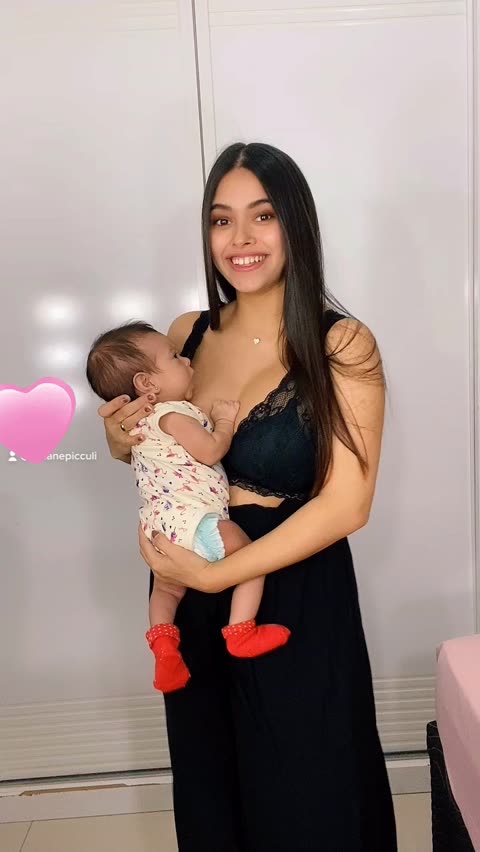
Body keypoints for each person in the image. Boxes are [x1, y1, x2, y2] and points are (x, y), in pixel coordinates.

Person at [99, 141, 397, 851]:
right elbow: (161, 448)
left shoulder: (342, 344)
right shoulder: (184, 335)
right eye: (221, 219)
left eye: (263, 216)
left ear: (295, 224)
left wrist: (218, 575)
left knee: (308, 798)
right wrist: (118, 440)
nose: (240, 239)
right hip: (192, 584)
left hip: (292, 592)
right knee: (214, 790)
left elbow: (349, 504)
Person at [86, 324, 290, 693]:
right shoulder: (172, 415)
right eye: (175, 357)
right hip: (199, 522)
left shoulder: (137, 426)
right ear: (147, 383)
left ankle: (164, 646)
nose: (186, 361)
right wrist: (224, 422)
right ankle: (241, 630)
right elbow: (210, 451)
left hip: (159, 530)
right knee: (251, 560)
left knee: (167, 591)